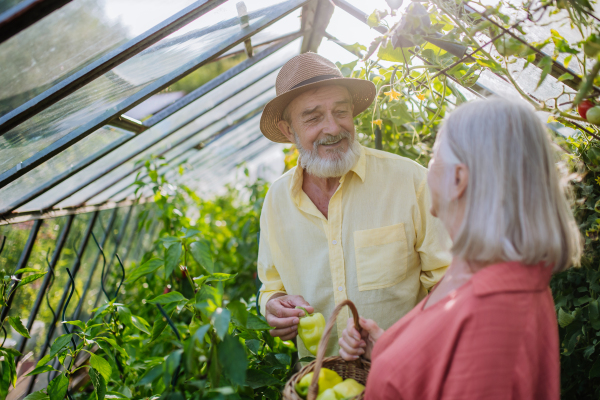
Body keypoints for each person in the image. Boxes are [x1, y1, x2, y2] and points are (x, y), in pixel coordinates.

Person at [338, 97, 582, 399]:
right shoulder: (482, 271)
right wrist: (389, 348)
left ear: (457, 179)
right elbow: (445, 363)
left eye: (435, 156)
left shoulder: (492, 317)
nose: (428, 168)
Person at [256, 52, 452, 357]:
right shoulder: (277, 202)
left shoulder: (410, 181)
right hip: (321, 383)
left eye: (341, 111)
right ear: (287, 130)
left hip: (407, 373)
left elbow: (448, 281)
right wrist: (273, 305)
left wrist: (408, 348)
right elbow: (271, 285)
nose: (333, 128)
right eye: (313, 117)